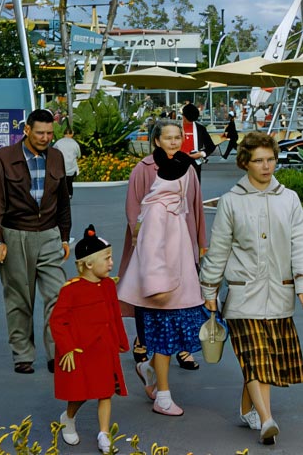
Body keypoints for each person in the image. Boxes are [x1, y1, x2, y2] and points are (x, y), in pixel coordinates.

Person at [200, 131, 303, 446]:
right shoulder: (231, 201)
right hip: (241, 294)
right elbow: (219, 249)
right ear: (245, 163)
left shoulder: (290, 198)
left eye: (270, 159)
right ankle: (267, 420)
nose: (266, 166)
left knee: (262, 359)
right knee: (255, 356)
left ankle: (246, 408)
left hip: (280, 293)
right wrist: (209, 291)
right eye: (259, 161)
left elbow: (300, 244)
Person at [117, 119, 207, 414]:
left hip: (181, 249)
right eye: (167, 137)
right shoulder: (144, 170)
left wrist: (200, 242)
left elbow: (195, 207)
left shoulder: (188, 167)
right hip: (151, 253)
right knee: (156, 315)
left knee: (176, 316)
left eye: (177, 136)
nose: (173, 141)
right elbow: (135, 211)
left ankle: (154, 371)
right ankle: (157, 379)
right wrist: (139, 239)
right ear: (156, 141)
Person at [0, 108, 72, 374]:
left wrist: (65, 236)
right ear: (26, 130)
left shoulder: (56, 157)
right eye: (40, 133)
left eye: (49, 133)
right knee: (19, 298)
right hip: (15, 233)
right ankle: (22, 354)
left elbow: (63, 200)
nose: (45, 138)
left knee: (58, 295)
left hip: (48, 234)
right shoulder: (2, 158)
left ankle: (56, 353)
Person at [51, 225, 128, 452]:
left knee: (105, 392)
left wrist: (120, 341)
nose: (111, 263)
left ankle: (104, 433)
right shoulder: (70, 290)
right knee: (81, 393)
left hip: (104, 348)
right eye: (107, 258)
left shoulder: (108, 286)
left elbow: (114, 314)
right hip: (80, 351)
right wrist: (67, 349)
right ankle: (68, 417)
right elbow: (57, 321)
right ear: (89, 264)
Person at [54, 127, 81, 197]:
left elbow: (53, 152)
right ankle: (69, 194)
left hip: (60, 166)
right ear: (71, 134)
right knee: (69, 181)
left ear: (64, 134)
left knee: (62, 181)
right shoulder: (75, 144)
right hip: (71, 167)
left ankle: (61, 194)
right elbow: (79, 155)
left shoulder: (58, 143)